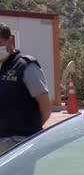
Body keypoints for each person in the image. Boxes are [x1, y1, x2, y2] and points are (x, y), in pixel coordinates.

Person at [0, 23, 51, 153]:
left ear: (10, 40)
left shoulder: (25, 66)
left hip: (20, 144)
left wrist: (31, 131)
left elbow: (45, 106)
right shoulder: (2, 67)